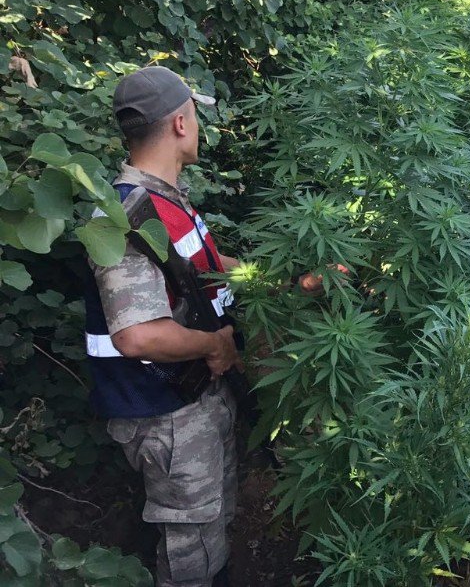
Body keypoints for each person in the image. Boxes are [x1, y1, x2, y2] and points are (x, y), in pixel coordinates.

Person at [82, 66, 330, 586]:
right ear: (179, 122)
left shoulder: (168, 201)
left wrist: (290, 282)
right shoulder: (125, 213)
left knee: (211, 528)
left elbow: (208, 274)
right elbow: (138, 334)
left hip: (195, 400)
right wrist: (215, 343)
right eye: (195, 115)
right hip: (165, 412)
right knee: (190, 552)